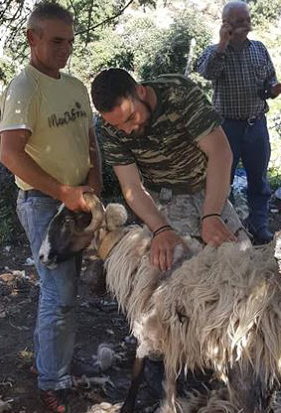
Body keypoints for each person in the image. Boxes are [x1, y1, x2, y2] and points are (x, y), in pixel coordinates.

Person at [0, 2, 102, 413]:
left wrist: (94, 181)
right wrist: (64, 192)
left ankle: (58, 367)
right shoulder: (25, 88)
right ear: (32, 38)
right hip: (44, 203)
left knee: (68, 290)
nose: (65, 50)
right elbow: (10, 154)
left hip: (79, 198)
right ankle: (50, 380)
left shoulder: (76, 86)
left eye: (70, 42)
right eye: (57, 41)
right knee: (58, 292)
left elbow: (91, 142)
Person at [90, 68, 250, 274]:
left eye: (130, 118)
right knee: (179, 277)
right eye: (118, 126)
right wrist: (161, 229)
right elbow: (131, 186)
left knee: (241, 263)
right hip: (163, 200)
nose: (127, 130)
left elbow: (220, 153)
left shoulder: (178, 93)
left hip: (209, 187)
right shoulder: (108, 128)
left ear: (141, 92)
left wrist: (211, 214)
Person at [196, 0, 281, 245]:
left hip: (256, 125)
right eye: (239, 21)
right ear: (227, 24)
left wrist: (272, 89)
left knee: (259, 179)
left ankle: (259, 225)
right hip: (226, 128)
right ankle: (227, 226)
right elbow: (206, 73)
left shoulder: (259, 48)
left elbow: (268, 80)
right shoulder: (215, 51)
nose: (246, 24)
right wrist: (223, 43)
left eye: (247, 19)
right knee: (222, 180)